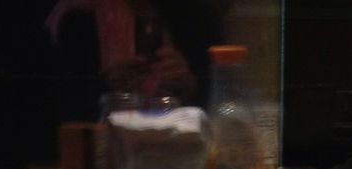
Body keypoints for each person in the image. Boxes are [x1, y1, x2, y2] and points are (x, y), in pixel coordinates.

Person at [44, 0, 222, 113]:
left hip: (178, 153)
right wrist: (108, 91)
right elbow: (51, 107)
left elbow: (218, 107)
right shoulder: (77, 16)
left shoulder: (199, 18)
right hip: (97, 154)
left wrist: (190, 87)